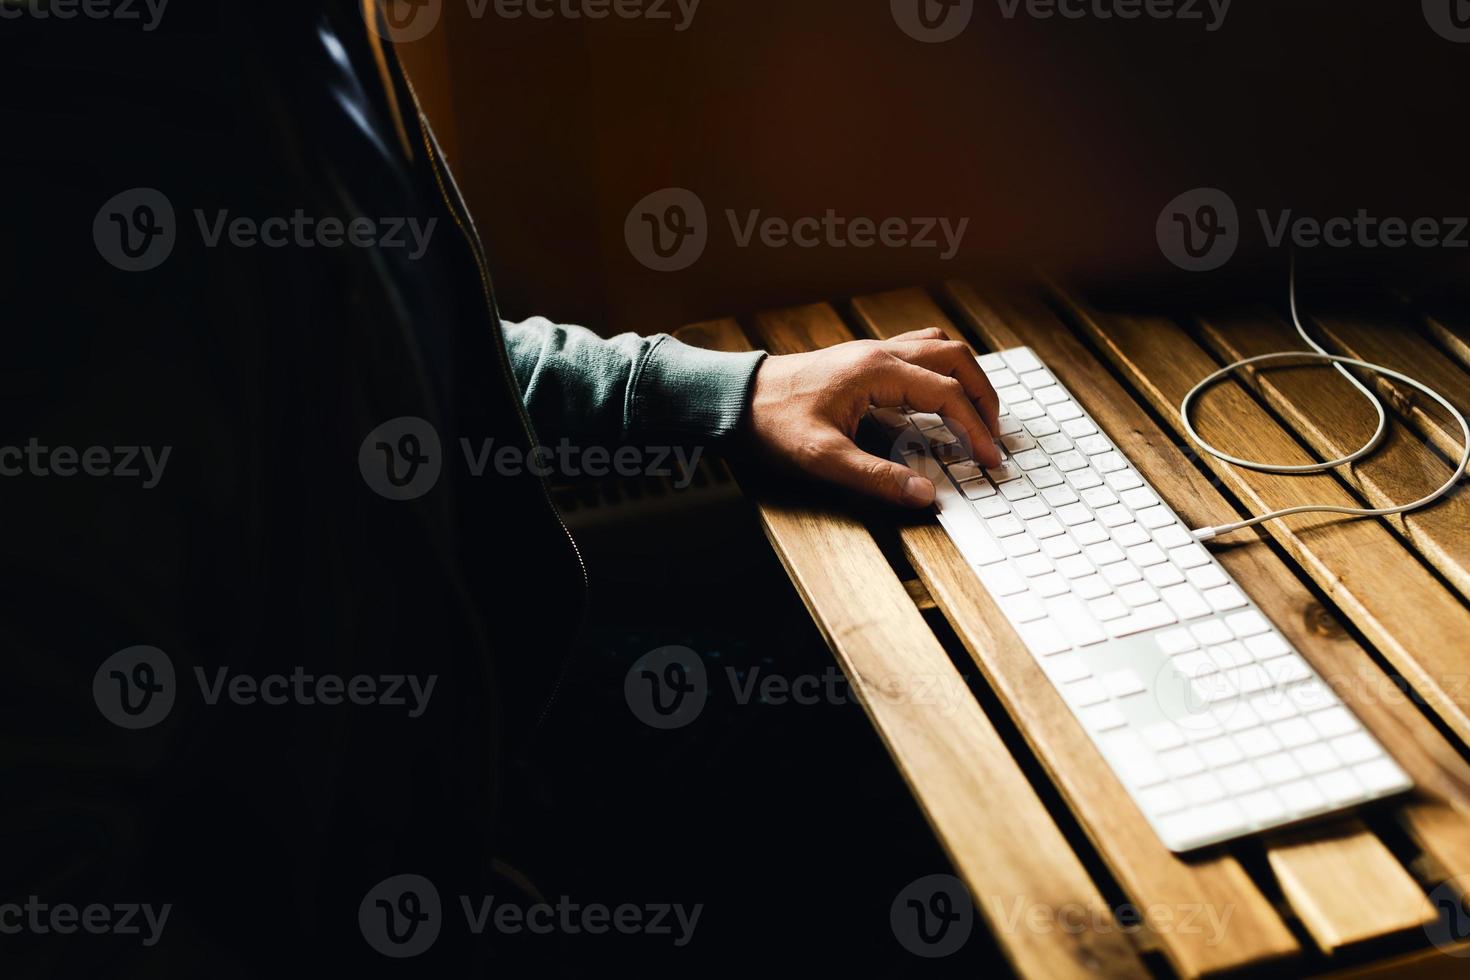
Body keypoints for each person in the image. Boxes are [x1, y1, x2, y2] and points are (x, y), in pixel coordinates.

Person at [3, 1, 998, 973]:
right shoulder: (95, 122)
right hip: (401, 865)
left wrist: (732, 388)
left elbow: (389, 346)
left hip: (481, 737)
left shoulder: (306, 36)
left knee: (902, 749)